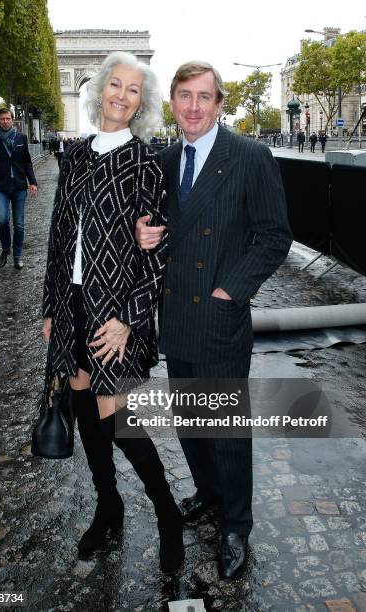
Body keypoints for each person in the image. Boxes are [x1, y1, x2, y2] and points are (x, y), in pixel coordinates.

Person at [136, 61, 292, 580]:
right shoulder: (161, 160)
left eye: (205, 97)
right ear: (173, 103)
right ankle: (206, 494)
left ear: (220, 103)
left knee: (225, 430)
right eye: (185, 96)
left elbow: (274, 236)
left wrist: (232, 289)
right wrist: (143, 234)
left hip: (220, 317)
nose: (195, 107)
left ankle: (235, 525)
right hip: (176, 314)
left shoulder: (249, 156)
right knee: (190, 421)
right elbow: (155, 227)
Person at [41, 51, 184, 575]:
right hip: (72, 305)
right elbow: (61, 238)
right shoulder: (74, 155)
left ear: (140, 103)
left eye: (133, 90)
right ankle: (109, 505)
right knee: (83, 406)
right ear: (99, 89)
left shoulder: (145, 162)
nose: (122, 96)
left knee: (118, 419)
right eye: (115, 85)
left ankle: (167, 516)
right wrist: (51, 307)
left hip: (114, 311)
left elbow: (156, 255)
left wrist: (129, 319)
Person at [0, 108, 38, 269]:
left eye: (8, 118)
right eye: (2, 119)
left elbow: (27, 162)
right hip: (1, 187)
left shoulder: (22, 138)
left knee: (19, 224)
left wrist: (32, 182)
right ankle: (6, 248)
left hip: (19, 186)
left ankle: (18, 256)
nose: (5, 121)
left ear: (12, 120)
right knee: (2, 219)